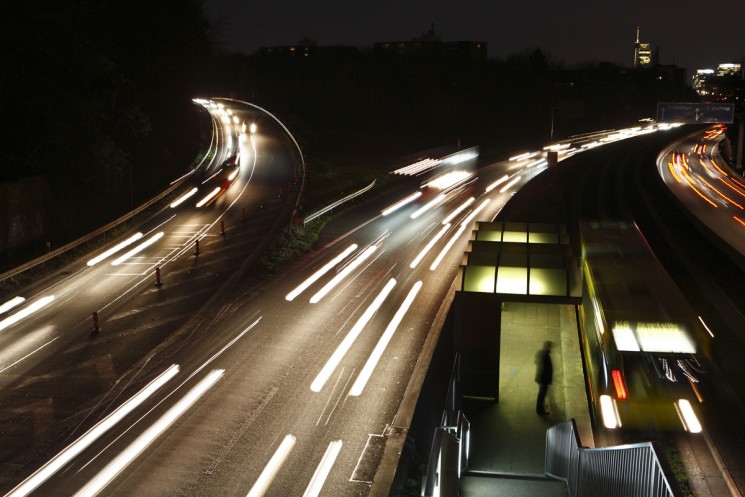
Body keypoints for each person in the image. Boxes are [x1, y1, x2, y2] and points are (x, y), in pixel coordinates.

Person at [535, 340, 553, 415]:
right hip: (544, 379)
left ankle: (540, 408)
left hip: (541, 378)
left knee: (542, 394)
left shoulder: (540, 352)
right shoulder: (546, 355)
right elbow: (546, 369)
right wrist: (548, 380)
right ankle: (540, 410)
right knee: (542, 394)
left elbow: (536, 362)